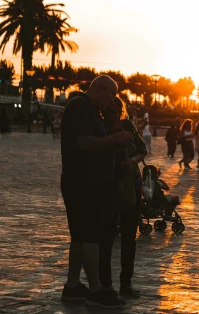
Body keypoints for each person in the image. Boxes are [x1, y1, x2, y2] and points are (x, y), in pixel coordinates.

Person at [59, 75, 131, 308]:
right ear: (100, 89)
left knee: (80, 236)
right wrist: (114, 139)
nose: (112, 102)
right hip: (83, 183)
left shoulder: (90, 110)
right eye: (111, 95)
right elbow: (84, 143)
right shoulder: (80, 107)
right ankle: (96, 289)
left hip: (85, 182)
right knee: (91, 236)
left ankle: (73, 286)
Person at [100, 96, 146, 298]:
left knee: (129, 237)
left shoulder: (128, 125)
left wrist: (132, 160)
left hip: (132, 185)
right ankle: (105, 284)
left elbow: (142, 150)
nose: (115, 113)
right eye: (111, 110)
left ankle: (126, 283)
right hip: (108, 186)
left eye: (118, 110)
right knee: (107, 237)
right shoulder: (100, 128)